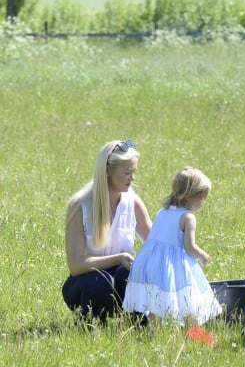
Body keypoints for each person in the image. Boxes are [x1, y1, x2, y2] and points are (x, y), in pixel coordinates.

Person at [122, 166, 222, 341]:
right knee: (187, 299)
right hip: (173, 265)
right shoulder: (188, 217)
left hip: (149, 262)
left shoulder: (163, 211)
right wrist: (202, 255)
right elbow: (189, 246)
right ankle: (193, 333)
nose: (203, 202)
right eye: (202, 197)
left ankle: (153, 334)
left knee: (155, 300)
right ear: (191, 195)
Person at [62, 140, 152, 322]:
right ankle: (93, 325)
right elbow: (76, 265)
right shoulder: (80, 205)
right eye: (127, 173)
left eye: (133, 172)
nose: (132, 178)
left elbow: (155, 245)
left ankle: (138, 325)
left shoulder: (133, 202)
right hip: (86, 282)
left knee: (129, 274)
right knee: (99, 281)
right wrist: (118, 258)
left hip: (120, 277)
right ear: (108, 170)